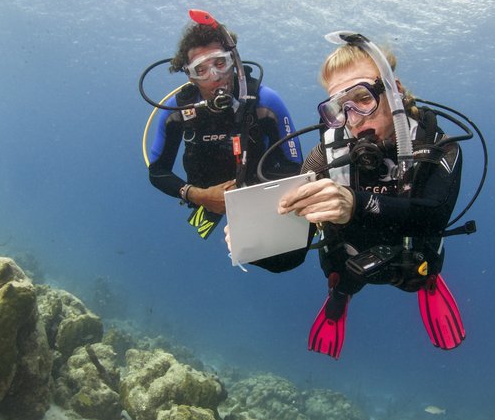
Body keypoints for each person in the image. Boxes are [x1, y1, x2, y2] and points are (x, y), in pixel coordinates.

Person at [229, 36, 467, 359]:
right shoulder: (323, 157)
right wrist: (255, 245)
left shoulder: (440, 145)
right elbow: (294, 253)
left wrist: (355, 203)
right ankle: (339, 298)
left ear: (393, 90)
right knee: (342, 276)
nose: (354, 118)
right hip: (350, 264)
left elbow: (435, 215)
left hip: (413, 265)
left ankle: (430, 287)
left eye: (362, 98)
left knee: (421, 271)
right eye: (339, 108)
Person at [147, 19, 303, 238]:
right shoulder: (177, 109)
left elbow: (294, 165)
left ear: (234, 62)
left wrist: (245, 195)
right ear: (190, 76)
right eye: (201, 69)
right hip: (203, 196)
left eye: (220, 63)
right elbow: (157, 171)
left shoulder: (264, 101)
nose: (214, 76)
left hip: (257, 191)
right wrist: (197, 195)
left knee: (283, 261)